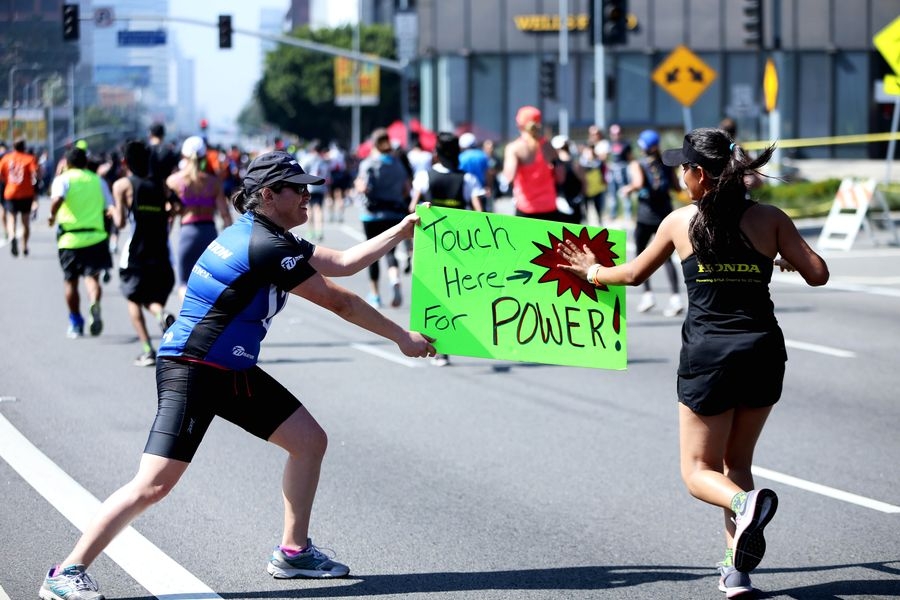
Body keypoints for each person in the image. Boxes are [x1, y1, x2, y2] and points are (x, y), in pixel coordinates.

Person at [38, 150, 437, 600]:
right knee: (152, 485)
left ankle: (293, 551)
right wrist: (401, 336)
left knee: (309, 441)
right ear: (268, 195)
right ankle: (66, 572)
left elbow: (344, 261)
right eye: (298, 188)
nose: (308, 196)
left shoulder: (266, 234)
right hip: (193, 368)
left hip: (231, 367)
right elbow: (339, 300)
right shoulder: (265, 245)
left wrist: (402, 230)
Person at [556, 127, 829, 598]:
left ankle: (745, 508)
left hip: (709, 356)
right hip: (763, 351)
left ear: (699, 174)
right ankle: (736, 573)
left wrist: (592, 271)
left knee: (698, 471)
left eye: (683, 167)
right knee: (737, 463)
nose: (680, 174)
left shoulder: (680, 222)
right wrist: (782, 256)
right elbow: (818, 274)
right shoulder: (769, 218)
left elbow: (636, 274)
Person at [410, 132, 485, 367]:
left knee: (432, 295)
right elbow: (480, 214)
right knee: (452, 294)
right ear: (458, 154)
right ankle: (450, 343)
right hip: (458, 245)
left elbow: (413, 207)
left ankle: (438, 346)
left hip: (430, 244)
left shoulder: (425, 176)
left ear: (436, 154)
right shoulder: (468, 178)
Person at [111, 140, 178, 367]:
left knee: (133, 298)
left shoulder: (122, 186)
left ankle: (148, 349)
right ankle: (161, 315)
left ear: (124, 161)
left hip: (136, 253)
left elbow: (120, 223)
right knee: (151, 299)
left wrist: (111, 211)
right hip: (160, 251)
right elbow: (175, 207)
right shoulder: (161, 185)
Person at [47, 146, 113, 338]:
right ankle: (94, 301)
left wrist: (52, 216)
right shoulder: (97, 180)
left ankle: (75, 321)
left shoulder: (63, 179)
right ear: (85, 162)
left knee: (71, 282)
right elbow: (108, 206)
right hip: (96, 237)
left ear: (67, 163)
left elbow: (58, 199)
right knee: (92, 277)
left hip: (70, 239)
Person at [617, 129, 683, 316]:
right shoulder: (667, 164)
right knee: (668, 258)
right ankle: (675, 298)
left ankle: (648, 295)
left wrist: (628, 189)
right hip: (665, 216)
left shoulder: (637, 164)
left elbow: (637, 183)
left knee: (641, 254)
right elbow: (676, 187)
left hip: (646, 216)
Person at [166, 136, 233, 298]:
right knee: (209, 281)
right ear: (204, 157)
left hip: (187, 233)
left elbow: (170, 214)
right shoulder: (214, 182)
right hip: (209, 233)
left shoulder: (174, 181)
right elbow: (225, 214)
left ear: (183, 156)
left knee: (183, 282)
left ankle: (188, 320)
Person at [355, 128, 411, 309]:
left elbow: (363, 187)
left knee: (372, 254)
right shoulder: (397, 163)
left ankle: (375, 295)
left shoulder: (369, 163)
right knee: (390, 252)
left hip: (372, 214)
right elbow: (406, 189)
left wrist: (358, 186)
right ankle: (394, 279)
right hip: (394, 212)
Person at [502, 106, 562, 221]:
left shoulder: (514, 148)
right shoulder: (548, 146)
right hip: (549, 207)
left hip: (526, 208)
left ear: (519, 124)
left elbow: (509, 177)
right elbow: (561, 177)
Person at [0, 137, 40, 256]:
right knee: (25, 222)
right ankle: (24, 246)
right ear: (24, 147)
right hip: (26, 193)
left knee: (12, 217)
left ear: (13, 147)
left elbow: (1, 174)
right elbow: (35, 174)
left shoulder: (6, 159)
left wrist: (7, 181)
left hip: (10, 192)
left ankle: (12, 236)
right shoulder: (29, 159)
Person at [299, 141, 331, 241]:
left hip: (309, 187)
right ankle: (319, 230)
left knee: (309, 209)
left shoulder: (307, 159)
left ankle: (310, 231)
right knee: (319, 209)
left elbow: (301, 172)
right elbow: (327, 176)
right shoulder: (323, 160)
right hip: (320, 187)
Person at [604, 123, 633, 224]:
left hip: (623, 169)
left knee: (625, 193)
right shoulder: (609, 144)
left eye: (618, 133)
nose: (616, 135)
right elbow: (605, 157)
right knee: (612, 194)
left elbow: (630, 158)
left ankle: (627, 216)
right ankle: (613, 215)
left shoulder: (626, 144)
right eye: (613, 133)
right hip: (612, 169)